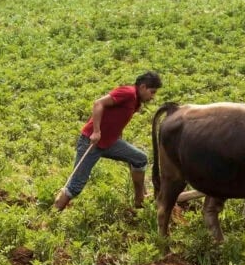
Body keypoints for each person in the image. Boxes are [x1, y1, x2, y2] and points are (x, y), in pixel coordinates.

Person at [53, 71, 163, 211]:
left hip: (110, 143)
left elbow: (117, 119)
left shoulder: (136, 103)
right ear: (142, 87)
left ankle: (139, 200)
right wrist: (96, 131)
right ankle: (54, 212)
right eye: (152, 92)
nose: (153, 97)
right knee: (76, 185)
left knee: (140, 158)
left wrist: (119, 138)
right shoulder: (128, 93)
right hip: (91, 142)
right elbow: (98, 103)